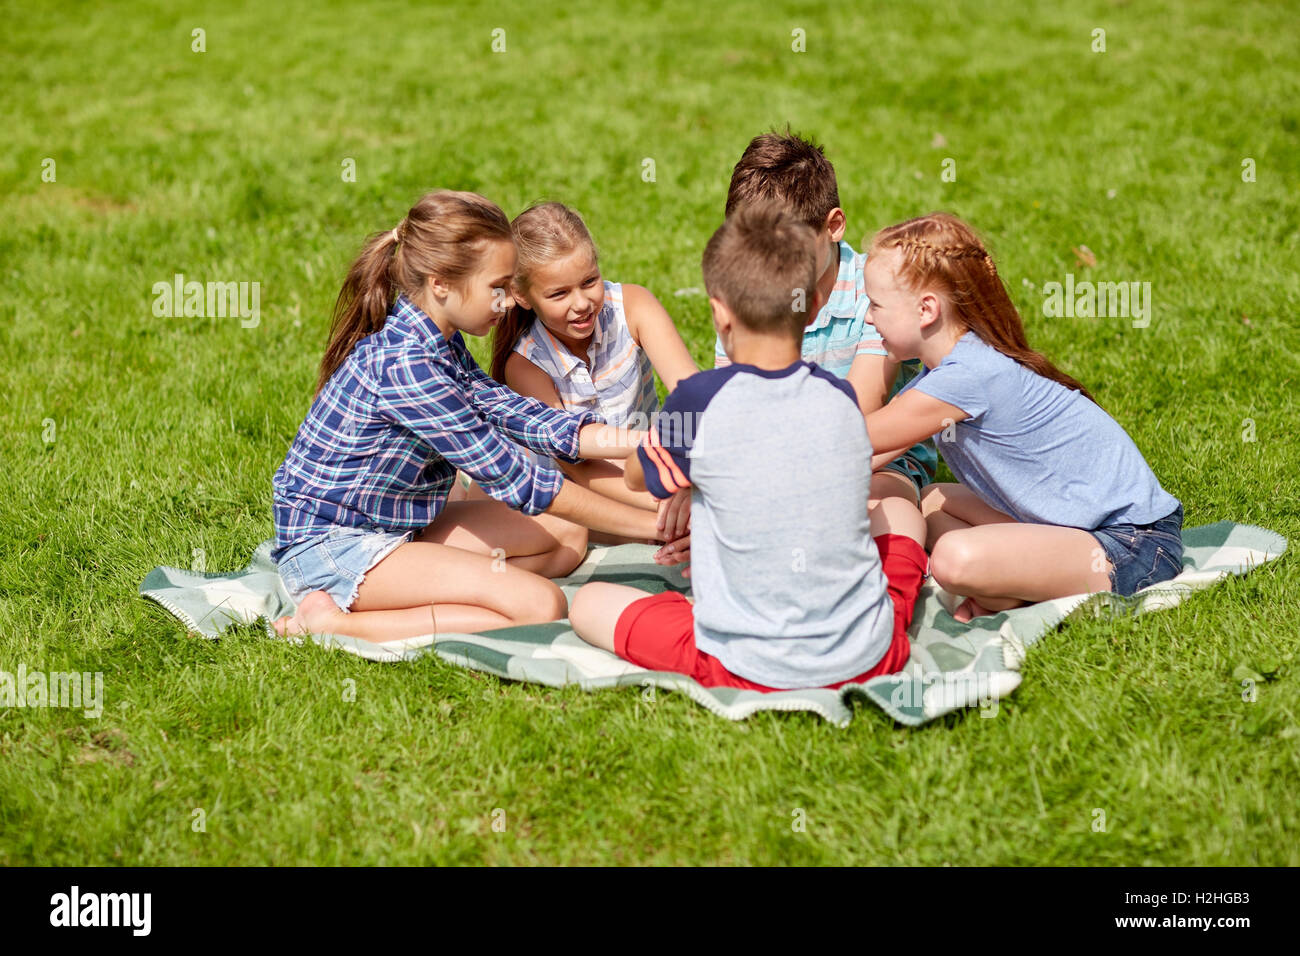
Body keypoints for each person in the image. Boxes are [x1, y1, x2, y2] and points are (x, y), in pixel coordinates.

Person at [271, 190, 663, 643]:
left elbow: (515, 412)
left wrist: (642, 442)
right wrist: (655, 528)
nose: (508, 302)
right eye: (497, 288)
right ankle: (331, 623)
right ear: (441, 284)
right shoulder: (409, 368)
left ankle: (443, 587)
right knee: (541, 605)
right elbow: (518, 479)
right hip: (338, 549)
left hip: (399, 525)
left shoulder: (439, 336)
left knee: (569, 536)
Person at [569, 204, 929, 690]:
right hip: (868, 654)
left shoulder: (698, 402)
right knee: (904, 517)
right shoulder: (839, 397)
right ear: (814, 305)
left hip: (743, 667)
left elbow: (637, 476)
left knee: (588, 606)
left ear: (720, 313)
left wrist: (678, 465)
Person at [863, 212, 1184, 621]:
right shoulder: (948, 368)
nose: (869, 318)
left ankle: (1012, 584)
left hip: (1134, 546)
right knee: (929, 500)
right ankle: (1012, 584)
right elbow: (872, 452)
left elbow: (852, 441)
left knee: (952, 560)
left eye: (875, 305)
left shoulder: (966, 377)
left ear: (927, 309)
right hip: (1077, 528)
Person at [715, 129, 938, 510]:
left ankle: (894, 565)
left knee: (880, 506)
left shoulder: (878, 291)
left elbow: (860, 403)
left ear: (833, 226)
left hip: (876, 461)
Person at [488, 201, 698, 544]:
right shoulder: (525, 365)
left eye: (589, 281)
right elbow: (578, 467)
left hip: (649, 469)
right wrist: (667, 504)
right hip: (583, 497)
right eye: (559, 293)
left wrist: (681, 485)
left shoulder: (633, 306)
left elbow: (690, 394)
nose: (582, 303)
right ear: (522, 296)